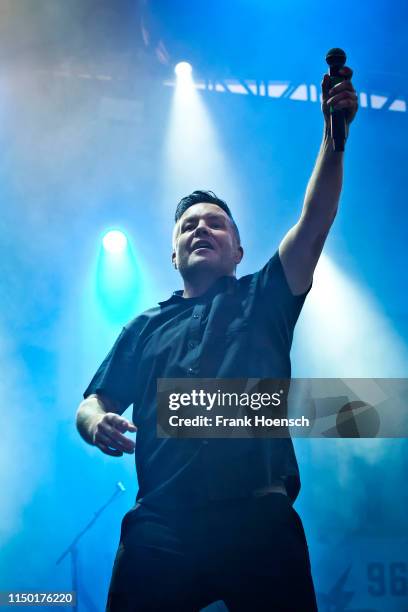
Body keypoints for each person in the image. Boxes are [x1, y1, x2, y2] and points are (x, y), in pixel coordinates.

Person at [76, 67, 358, 611]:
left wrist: (333, 138)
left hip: (260, 518)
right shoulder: (144, 326)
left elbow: (315, 216)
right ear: (173, 256)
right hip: (162, 523)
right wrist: (96, 422)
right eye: (188, 227)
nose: (200, 229)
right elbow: (93, 401)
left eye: (215, 224)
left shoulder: (266, 296)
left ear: (238, 251)